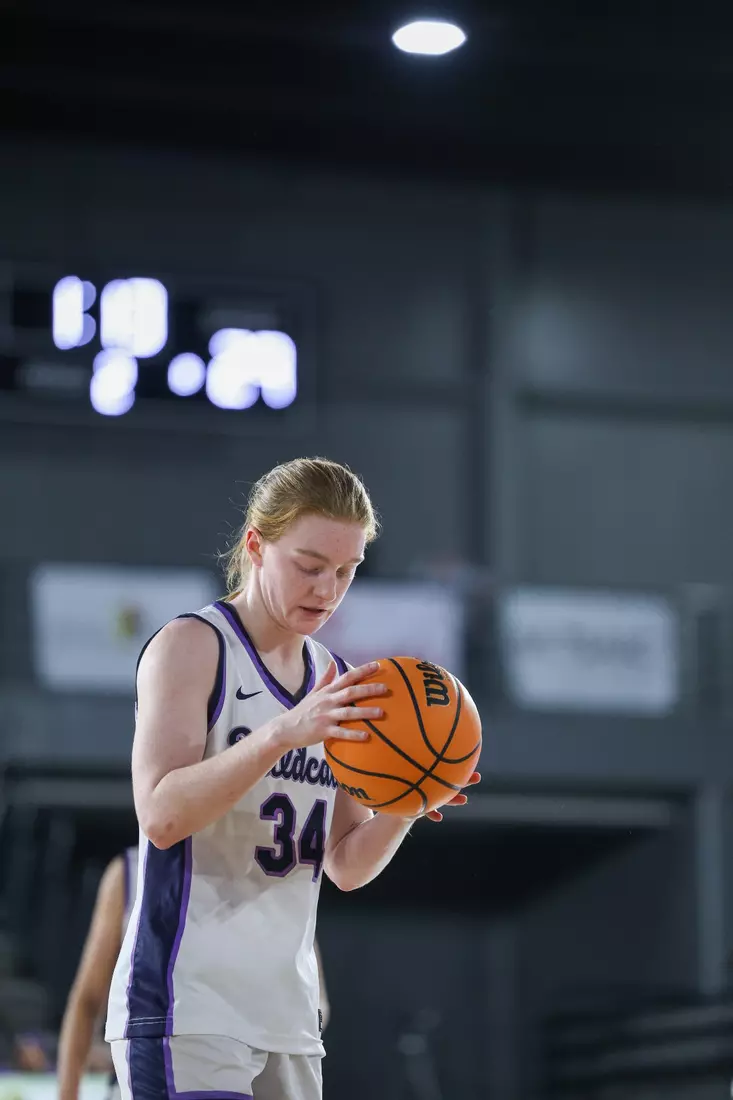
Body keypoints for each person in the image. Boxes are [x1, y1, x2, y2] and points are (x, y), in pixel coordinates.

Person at [105, 457, 479, 1100]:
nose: (328, 589)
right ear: (256, 544)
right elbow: (161, 816)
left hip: (288, 1013)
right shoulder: (193, 646)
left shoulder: (342, 680)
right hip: (185, 1002)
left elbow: (345, 866)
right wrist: (281, 734)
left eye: (346, 571)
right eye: (309, 566)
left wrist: (412, 799)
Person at [57, 845, 331, 1099]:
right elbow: (88, 999)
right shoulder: (130, 871)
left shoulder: (277, 866)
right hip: (165, 1053)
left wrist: (297, 1026)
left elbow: (316, 1000)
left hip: (259, 1056)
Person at [58, 848, 138, 1100]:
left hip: (235, 1066)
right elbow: (88, 999)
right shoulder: (130, 872)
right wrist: (67, 1093)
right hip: (139, 1076)